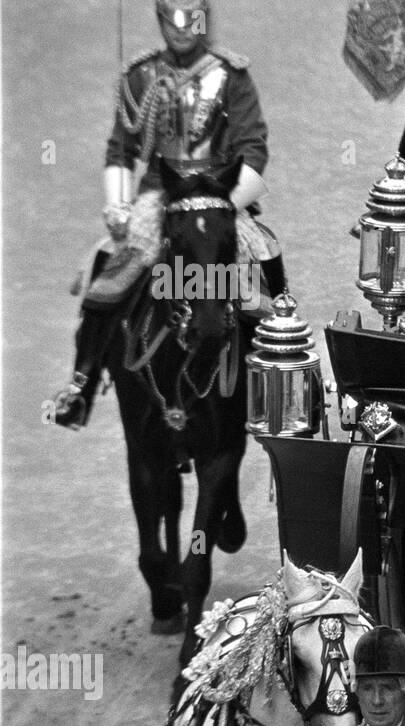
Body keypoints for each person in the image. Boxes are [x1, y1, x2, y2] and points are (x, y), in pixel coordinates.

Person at [50, 0, 286, 429]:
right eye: (172, 19)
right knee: (108, 275)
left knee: (264, 259)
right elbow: (121, 148)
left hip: (219, 193)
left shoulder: (232, 75)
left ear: (205, 19)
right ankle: (81, 385)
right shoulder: (140, 75)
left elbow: (254, 147)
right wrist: (118, 206)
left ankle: (282, 374)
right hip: (160, 194)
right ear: (160, 20)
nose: (181, 29)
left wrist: (225, 202)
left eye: (191, 18)